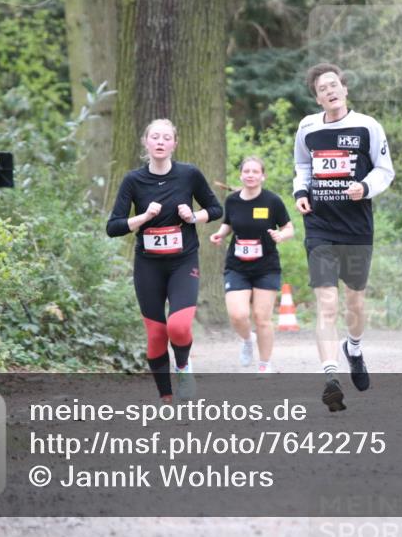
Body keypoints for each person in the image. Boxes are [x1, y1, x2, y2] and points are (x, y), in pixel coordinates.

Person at [293, 63, 395, 411]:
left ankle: (354, 347)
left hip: (356, 228)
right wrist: (300, 192)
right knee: (326, 304)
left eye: (334, 85)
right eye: (322, 88)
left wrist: (364, 187)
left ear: (345, 89)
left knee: (355, 304)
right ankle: (331, 378)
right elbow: (302, 166)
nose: (330, 91)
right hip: (319, 225)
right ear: (317, 98)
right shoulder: (308, 127)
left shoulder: (368, 126)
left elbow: (385, 170)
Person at [106, 119, 222, 402]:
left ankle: (182, 367)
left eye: (166, 137)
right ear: (146, 142)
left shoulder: (189, 174)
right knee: (157, 334)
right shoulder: (133, 180)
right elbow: (113, 227)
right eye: (155, 137)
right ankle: (166, 398)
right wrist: (143, 217)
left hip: (183, 261)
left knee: (178, 327)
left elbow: (215, 209)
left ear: (174, 143)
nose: (160, 142)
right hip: (148, 265)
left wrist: (193, 217)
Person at [209, 156, 295, 373]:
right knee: (238, 315)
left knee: (262, 317)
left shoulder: (272, 201)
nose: (250, 175)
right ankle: (248, 340)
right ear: (241, 175)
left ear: (262, 176)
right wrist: (219, 234)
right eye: (246, 171)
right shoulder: (232, 200)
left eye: (255, 172)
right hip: (237, 266)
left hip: (266, 267)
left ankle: (264, 364)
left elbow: (289, 228)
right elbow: (228, 224)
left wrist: (281, 235)